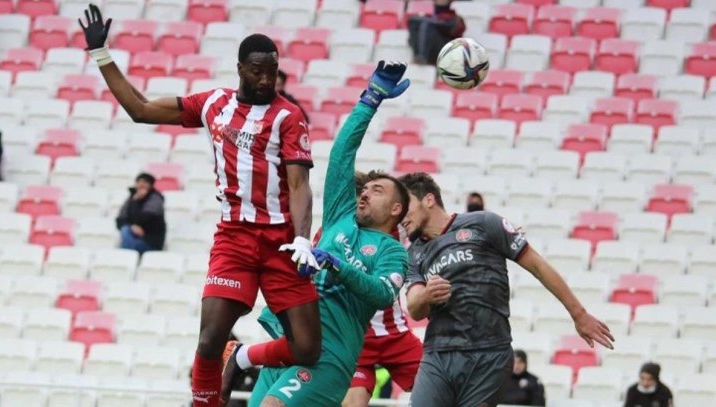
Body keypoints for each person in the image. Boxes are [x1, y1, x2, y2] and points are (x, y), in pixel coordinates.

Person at [78, 6, 323, 407]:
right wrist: (101, 55)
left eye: (273, 71)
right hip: (236, 238)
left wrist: (300, 239)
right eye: (258, 71)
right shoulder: (213, 104)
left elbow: (299, 185)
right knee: (209, 339)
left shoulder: (289, 116)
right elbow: (140, 110)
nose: (266, 79)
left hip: (282, 242)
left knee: (309, 349)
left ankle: (243, 355)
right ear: (240, 68)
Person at [220, 60, 412, 407]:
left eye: (378, 190)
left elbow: (383, 294)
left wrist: (336, 264)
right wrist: (370, 100)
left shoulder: (393, 252)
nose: (365, 192)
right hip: (289, 343)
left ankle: (243, 356)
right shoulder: (342, 216)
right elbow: (342, 154)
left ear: (397, 210)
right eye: (365, 188)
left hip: (328, 357)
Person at [398, 172, 615, 407]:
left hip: (489, 354)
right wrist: (427, 295)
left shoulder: (484, 223)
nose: (400, 216)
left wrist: (579, 314)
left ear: (428, 200)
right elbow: (415, 308)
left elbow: (538, 266)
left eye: (405, 206)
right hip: (438, 355)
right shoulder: (413, 254)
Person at [337, 172, 423, 407]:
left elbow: (423, 215)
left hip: (395, 335)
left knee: (443, 390)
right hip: (356, 340)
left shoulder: (392, 228)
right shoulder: (333, 234)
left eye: (369, 194)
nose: (363, 199)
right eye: (360, 195)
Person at [115, 173, 166, 254]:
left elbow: (145, 218)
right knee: (125, 230)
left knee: (126, 231)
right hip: (133, 238)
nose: (141, 184)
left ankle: (126, 256)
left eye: (145, 182)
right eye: (139, 181)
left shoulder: (156, 199)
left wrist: (135, 202)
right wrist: (132, 226)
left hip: (150, 242)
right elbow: (120, 220)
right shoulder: (131, 198)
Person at [407, 0, 466, 65]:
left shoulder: (455, 18)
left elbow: (454, 31)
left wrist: (438, 24)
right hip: (431, 52)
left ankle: (423, 57)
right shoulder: (430, 17)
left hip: (446, 53)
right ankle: (418, 56)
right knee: (415, 23)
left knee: (427, 25)